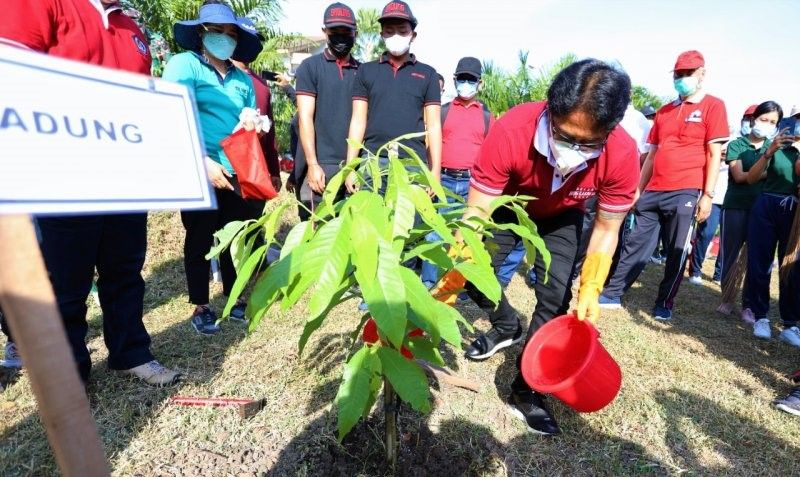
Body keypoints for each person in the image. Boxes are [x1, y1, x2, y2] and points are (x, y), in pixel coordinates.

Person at [0, 0, 180, 386]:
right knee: (66, 281)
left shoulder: (131, 28)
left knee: (125, 271)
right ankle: (69, 375)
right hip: (63, 175)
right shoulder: (39, 4)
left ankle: (131, 352)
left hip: (125, 177)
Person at [461, 59, 639, 435]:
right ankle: (506, 325)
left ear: (610, 129)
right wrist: (462, 255)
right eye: (563, 135)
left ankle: (526, 390)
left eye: (588, 142)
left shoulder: (622, 154)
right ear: (549, 109)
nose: (572, 150)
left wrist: (591, 287)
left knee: (555, 297)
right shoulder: (513, 129)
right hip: (509, 204)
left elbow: (607, 229)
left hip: (563, 215)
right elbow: (477, 210)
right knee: (473, 275)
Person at [599, 50, 729, 321]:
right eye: (678, 75)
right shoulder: (665, 111)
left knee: (676, 250)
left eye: (687, 74)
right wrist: (638, 190)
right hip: (654, 189)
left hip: (687, 189)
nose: (682, 79)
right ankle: (612, 293)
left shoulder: (713, 106)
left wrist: (707, 195)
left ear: (702, 74)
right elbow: (652, 154)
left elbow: (714, 154)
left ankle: (664, 302)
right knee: (635, 243)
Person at [162, 1, 265, 336]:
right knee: (200, 238)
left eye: (230, 33)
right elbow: (172, 113)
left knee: (232, 236)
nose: (224, 37)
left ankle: (234, 298)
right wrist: (202, 161)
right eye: (216, 31)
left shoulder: (241, 79)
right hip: (198, 166)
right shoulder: (185, 65)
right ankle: (200, 305)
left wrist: (253, 121)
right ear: (201, 33)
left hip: (234, 168)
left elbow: (246, 117)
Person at [344, 0, 442, 194]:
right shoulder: (366, 71)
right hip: (373, 163)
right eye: (389, 31)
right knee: (371, 222)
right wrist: (350, 168)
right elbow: (358, 121)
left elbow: (433, 126)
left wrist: (435, 172)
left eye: (402, 30)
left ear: (413, 35)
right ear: (382, 35)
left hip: (412, 165)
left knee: (410, 222)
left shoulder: (428, 74)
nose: (395, 35)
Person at [420, 57, 494, 288]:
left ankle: (455, 285)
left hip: (472, 184)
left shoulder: (486, 117)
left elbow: (490, 153)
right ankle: (429, 282)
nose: (466, 83)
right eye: (462, 79)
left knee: (468, 236)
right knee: (435, 234)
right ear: (454, 80)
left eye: (471, 80)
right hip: (443, 180)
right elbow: (429, 145)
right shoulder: (441, 112)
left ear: (480, 83)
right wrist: (431, 178)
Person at [293, 2, 359, 220]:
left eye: (346, 32)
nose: (341, 36)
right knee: (314, 240)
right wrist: (312, 164)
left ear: (355, 33)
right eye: (334, 31)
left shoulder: (364, 72)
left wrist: (354, 167)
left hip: (353, 168)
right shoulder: (310, 67)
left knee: (350, 239)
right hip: (320, 168)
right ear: (325, 32)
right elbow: (305, 118)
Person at [743, 104, 799, 346]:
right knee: (760, 262)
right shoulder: (775, 145)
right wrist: (770, 151)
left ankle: (790, 323)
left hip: (795, 212)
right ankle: (761, 316)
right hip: (766, 206)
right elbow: (751, 178)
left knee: (792, 267)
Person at [717, 103, 778, 321]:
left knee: (757, 259)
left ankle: (748, 305)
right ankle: (727, 298)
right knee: (730, 254)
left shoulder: (774, 148)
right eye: (764, 119)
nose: (767, 125)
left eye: (772, 122)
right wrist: (765, 171)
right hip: (735, 205)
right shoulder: (737, 145)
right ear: (754, 119)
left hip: (761, 211)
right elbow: (740, 177)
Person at [231, 18, 283, 194]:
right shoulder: (218, 76)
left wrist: (274, 170)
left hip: (255, 171)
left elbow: (270, 131)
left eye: (254, 40)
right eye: (244, 38)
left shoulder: (261, 84)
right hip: (226, 168)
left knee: (252, 219)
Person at [688, 142, 728, 285]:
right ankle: (695, 270)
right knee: (706, 234)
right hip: (714, 197)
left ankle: (719, 274)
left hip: (732, 200)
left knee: (728, 239)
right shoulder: (716, 143)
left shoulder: (744, 145)